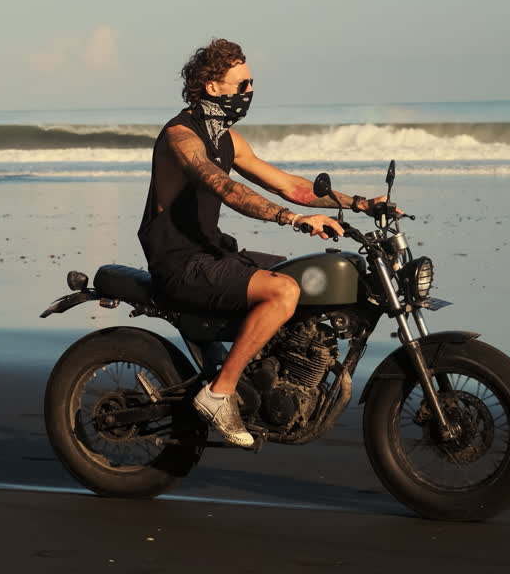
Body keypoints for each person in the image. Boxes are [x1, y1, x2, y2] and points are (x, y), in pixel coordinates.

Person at [137, 38, 392, 447]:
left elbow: (292, 186)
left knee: (303, 280)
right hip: (180, 262)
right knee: (283, 291)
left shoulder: (227, 139)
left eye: (251, 84)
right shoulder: (181, 137)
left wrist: (359, 203)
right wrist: (291, 219)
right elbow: (226, 188)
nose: (249, 93)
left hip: (214, 252)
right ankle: (219, 393)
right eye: (241, 85)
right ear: (213, 87)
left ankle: (270, 377)